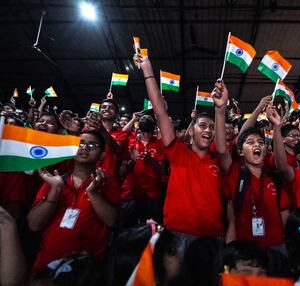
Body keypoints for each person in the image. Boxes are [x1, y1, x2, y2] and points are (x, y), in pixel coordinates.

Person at [133, 53, 224, 247]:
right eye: (202, 126)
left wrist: (221, 110)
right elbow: (160, 112)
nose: (208, 129)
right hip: (177, 234)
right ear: (191, 132)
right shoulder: (177, 152)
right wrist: (148, 71)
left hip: (212, 237)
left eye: (211, 127)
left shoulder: (219, 159)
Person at [27, 130, 121, 272]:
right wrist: (55, 190)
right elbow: (34, 225)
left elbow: (112, 221)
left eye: (92, 145)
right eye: (80, 144)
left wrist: (93, 193)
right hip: (48, 264)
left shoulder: (107, 182)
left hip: (86, 271)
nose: (84, 148)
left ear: (102, 154)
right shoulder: (55, 181)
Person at [121, 113, 166, 227]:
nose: (147, 135)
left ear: (154, 129)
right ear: (139, 128)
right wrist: (132, 160)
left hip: (152, 193)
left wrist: (150, 160)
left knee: (154, 226)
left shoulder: (159, 144)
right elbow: (120, 135)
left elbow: (161, 170)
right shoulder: (131, 141)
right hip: (132, 192)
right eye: (144, 131)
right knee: (131, 226)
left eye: (149, 132)